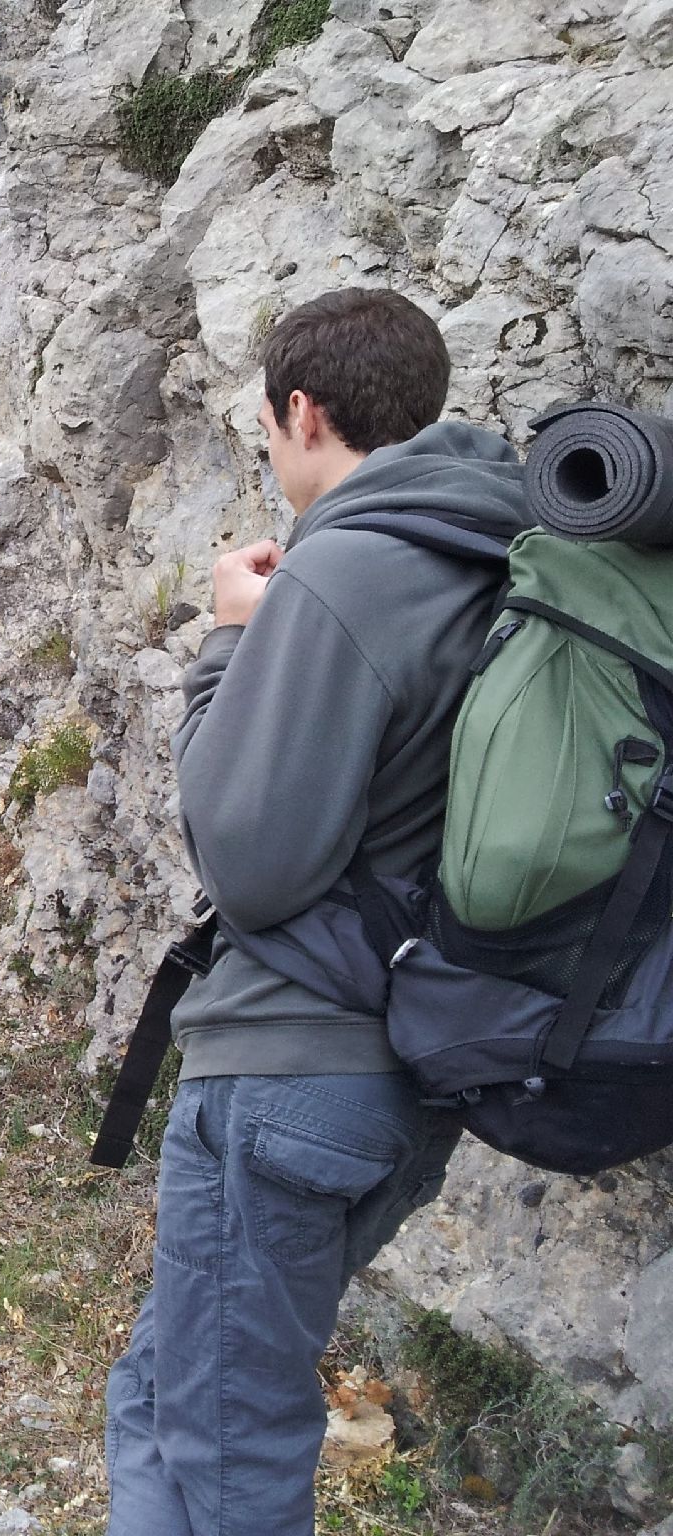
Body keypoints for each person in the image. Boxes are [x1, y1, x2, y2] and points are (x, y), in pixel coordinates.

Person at [103, 289, 532, 1533]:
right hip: (406, 1071)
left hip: (287, 1071)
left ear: (300, 413)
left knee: (224, 1441)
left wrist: (230, 642)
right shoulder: (493, 553)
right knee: (164, 1390)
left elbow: (245, 862)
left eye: (265, 428)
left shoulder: (347, 568)